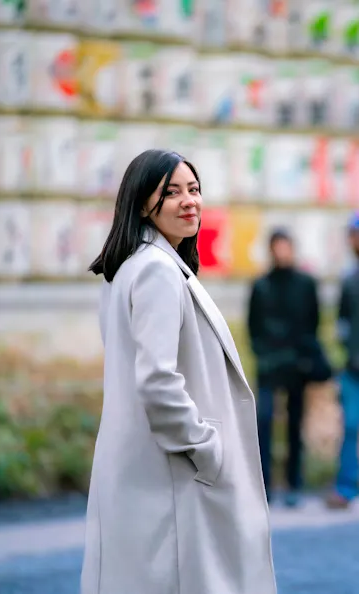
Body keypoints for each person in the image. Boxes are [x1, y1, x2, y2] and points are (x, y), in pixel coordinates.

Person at [81, 150, 277, 594]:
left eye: (194, 189)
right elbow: (156, 380)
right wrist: (205, 446)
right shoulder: (156, 270)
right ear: (141, 202)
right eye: (171, 192)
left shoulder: (128, 268)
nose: (189, 201)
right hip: (172, 471)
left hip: (147, 469)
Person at [247, 229, 321, 507]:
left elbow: (312, 322)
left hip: (297, 365)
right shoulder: (261, 285)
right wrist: (262, 354)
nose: (281, 252)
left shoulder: (305, 284)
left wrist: (305, 356)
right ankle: (263, 485)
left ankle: (294, 484)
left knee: (294, 426)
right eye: (277, 247)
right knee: (263, 423)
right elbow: (253, 325)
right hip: (268, 366)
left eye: (285, 247)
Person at [327, 213, 359, 509]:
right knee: (349, 427)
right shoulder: (349, 279)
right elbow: (342, 321)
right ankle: (346, 488)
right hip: (353, 369)